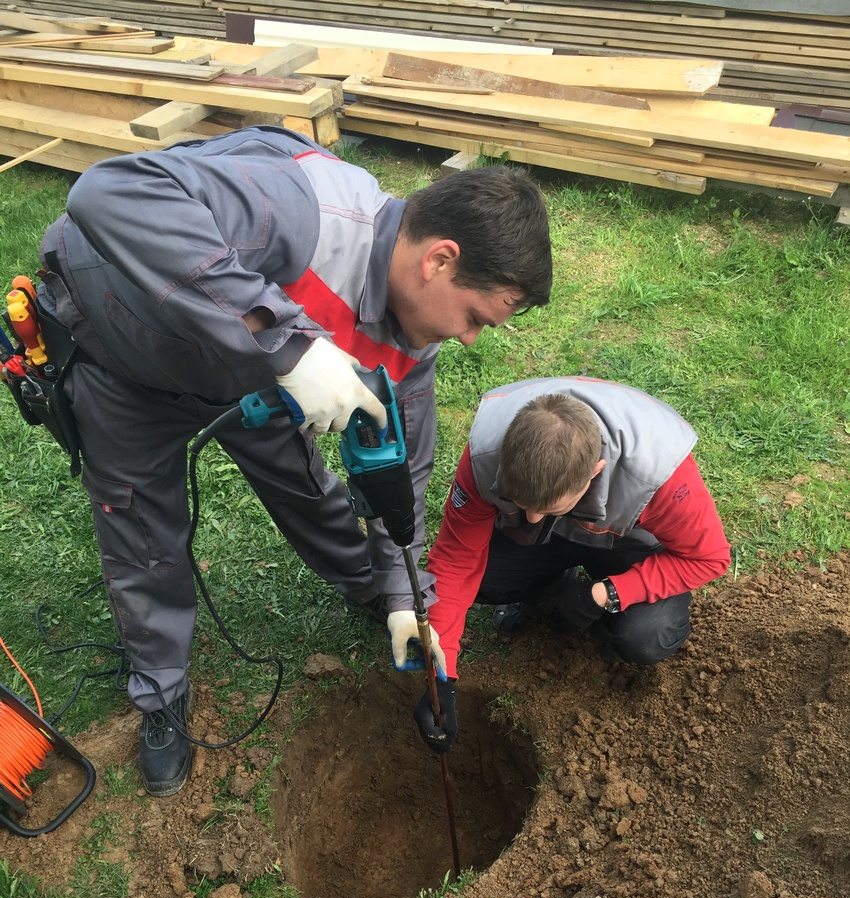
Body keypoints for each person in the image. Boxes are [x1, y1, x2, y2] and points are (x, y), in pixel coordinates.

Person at [36, 126, 552, 795]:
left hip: (251, 366)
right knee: (142, 531)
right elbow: (108, 192)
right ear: (440, 261)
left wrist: (404, 597)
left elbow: (402, 478)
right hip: (127, 347)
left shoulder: (412, 339)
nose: (472, 338)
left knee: (310, 489)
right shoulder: (305, 215)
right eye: (477, 316)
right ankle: (161, 690)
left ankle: (376, 594)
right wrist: (293, 348)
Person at [412, 376, 731, 753]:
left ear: (594, 471)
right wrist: (442, 670)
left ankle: (607, 619)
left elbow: (709, 558)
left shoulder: (658, 475)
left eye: (547, 507)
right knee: (485, 578)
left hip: (626, 540)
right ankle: (550, 586)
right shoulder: (487, 455)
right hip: (551, 540)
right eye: (518, 501)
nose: (530, 518)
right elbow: (455, 559)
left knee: (647, 636)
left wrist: (604, 594)